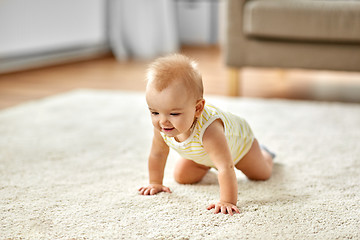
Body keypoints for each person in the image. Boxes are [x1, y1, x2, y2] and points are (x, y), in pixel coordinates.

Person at [138, 54, 275, 215]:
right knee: (182, 176)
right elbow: (157, 154)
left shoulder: (210, 131)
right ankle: (206, 163)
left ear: (197, 108)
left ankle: (264, 152)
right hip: (205, 154)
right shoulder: (163, 127)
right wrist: (155, 182)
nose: (163, 121)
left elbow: (226, 166)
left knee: (262, 174)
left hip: (241, 147)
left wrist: (227, 201)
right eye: (154, 112)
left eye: (174, 114)